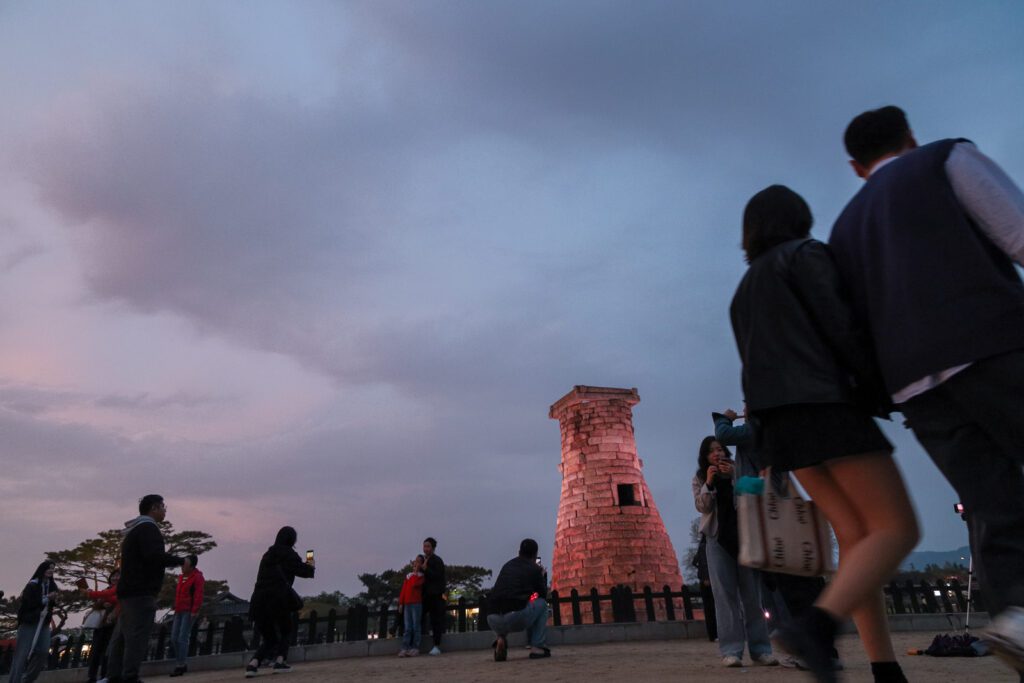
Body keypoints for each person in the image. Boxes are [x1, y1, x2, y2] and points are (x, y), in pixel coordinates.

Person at [830, 105, 1024, 671]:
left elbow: (852, 322)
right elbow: (1015, 231)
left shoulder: (844, 230)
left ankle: (1017, 613)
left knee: (991, 501)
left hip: (915, 386)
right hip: (991, 343)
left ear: (855, 166)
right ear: (910, 138)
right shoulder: (946, 159)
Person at [730, 185, 920, 683]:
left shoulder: (743, 291)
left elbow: (751, 367)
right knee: (897, 528)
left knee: (857, 539)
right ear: (800, 217)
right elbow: (843, 326)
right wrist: (881, 392)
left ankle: (885, 668)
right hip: (827, 407)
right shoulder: (806, 255)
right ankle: (816, 627)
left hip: (781, 428)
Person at [712, 407, 839, 670]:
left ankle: (809, 648)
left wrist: (725, 418)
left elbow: (724, 435)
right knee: (793, 586)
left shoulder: (757, 428)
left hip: (769, 517)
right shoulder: (782, 432)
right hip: (784, 511)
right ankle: (824, 649)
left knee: (785, 589)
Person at [692, 437, 777, 668]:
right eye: (712, 451)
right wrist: (709, 483)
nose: (717, 454)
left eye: (720, 449)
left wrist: (734, 478)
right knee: (724, 598)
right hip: (717, 540)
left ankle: (761, 649)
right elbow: (702, 507)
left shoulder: (739, 471)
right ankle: (731, 651)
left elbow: (754, 496)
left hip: (745, 537)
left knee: (753, 597)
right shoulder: (700, 477)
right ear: (705, 456)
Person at [107, 494, 185, 683]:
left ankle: (114, 675)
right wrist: (181, 560)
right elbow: (154, 556)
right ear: (154, 508)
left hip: (128, 591)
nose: (165, 510)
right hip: (141, 592)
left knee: (122, 636)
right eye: (163, 506)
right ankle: (130, 676)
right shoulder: (148, 529)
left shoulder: (135, 530)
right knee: (137, 636)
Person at [245, 526, 314, 678]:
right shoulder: (289, 554)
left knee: (270, 638)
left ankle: (253, 664)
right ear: (292, 540)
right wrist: (310, 559)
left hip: (258, 599)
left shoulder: (267, 555)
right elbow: (307, 572)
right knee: (286, 630)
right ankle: (280, 661)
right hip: (278, 599)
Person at [486, 538, 550, 662]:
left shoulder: (507, 566)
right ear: (535, 554)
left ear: (519, 552)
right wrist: (542, 576)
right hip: (515, 616)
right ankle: (537, 647)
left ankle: (500, 639)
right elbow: (542, 594)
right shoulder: (535, 569)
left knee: (504, 604)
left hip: (492, 618)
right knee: (542, 604)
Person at [8, 561, 59, 683]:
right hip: (29, 622)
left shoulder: (52, 585)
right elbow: (28, 603)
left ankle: (27, 679)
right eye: (48, 568)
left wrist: (54, 599)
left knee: (43, 651)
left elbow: (52, 604)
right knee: (22, 654)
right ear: (42, 569)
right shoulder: (32, 585)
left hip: (44, 623)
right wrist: (46, 598)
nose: (51, 570)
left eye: (53, 569)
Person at [81, 569, 120, 683]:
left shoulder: (121, 590)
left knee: (108, 651)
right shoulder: (106, 590)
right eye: (113, 576)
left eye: (118, 576)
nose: (115, 578)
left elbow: (117, 600)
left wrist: (101, 598)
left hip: (114, 624)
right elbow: (96, 605)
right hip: (101, 624)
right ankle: (92, 676)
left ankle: (105, 675)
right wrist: (102, 602)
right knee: (96, 651)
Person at [169, 555, 204, 677]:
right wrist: (175, 605)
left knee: (182, 638)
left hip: (188, 611)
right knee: (174, 638)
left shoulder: (197, 577)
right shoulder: (181, 577)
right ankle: (181, 663)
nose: (182, 566)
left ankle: (180, 664)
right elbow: (179, 594)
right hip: (179, 610)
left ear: (192, 566)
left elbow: (198, 594)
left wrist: (195, 610)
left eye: (185, 563)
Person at [420, 537, 446, 656]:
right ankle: (416, 643)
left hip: (436, 595)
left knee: (436, 621)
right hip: (426, 595)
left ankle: (436, 645)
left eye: (428, 546)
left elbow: (438, 577)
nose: (426, 548)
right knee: (420, 617)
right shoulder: (423, 560)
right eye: (424, 546)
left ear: (433, 548)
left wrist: (427, 569)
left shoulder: (437, 560)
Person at [396, 555, 426, 657]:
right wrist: (401, 603)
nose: (416, 563)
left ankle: (415, 648)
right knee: (407, 628)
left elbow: (414, 584)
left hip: (416, 603)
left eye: (419, 561)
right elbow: (404, 590)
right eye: (415, 561)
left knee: (415, 626)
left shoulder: (421, 577)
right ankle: (405, 648)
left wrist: (416, 573)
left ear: (421, 564)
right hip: (407, 604)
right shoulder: (408, 576)